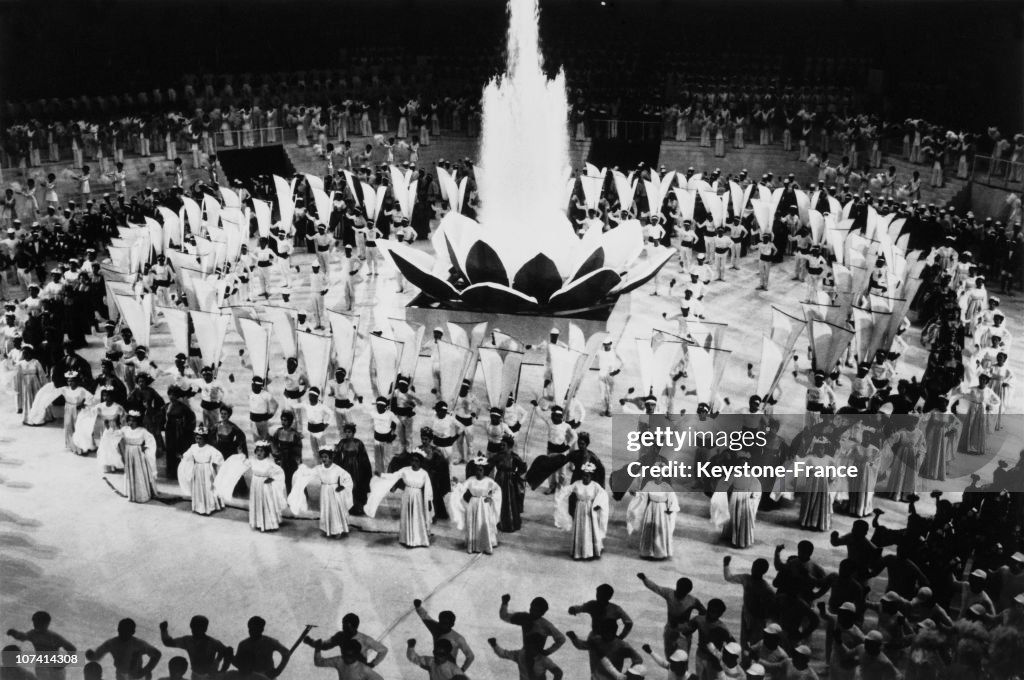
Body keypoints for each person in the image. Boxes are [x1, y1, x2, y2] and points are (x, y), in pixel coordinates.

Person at [636, 574, 705, 658]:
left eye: (684, 592)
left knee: (682, 657)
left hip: (683, 632)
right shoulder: (670, 594)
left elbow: (704, 613)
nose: (681, 593)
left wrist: (691, 626)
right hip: (671, 630)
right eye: (680, 590)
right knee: (670, 656)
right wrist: (645, 579)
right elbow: (656, 588)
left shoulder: (692, 601)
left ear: (688, 592)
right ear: (677, 587)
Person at [555, 462, 609, 560]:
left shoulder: (595, 485)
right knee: (581, 528)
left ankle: (591, 551)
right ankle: (579, 552)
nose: (585, 478)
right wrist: (561, 486)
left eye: (587, 476)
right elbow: (567, 490)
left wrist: (598, 504)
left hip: (590, 509)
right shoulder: (577, 484)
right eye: (584, 475)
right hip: (579, 509)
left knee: (590, 529)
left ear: (591, 476)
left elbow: (603, 494)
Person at [449, 454, 501, 554]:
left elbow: (497, 490)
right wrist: (457, 484)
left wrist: (491, 498)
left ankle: (485, 545)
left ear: (484, 470)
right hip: (473, 504)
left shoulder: (489, 481)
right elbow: (462, 488)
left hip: (484, 505)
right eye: (477, 469)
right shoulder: (471, 480)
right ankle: (473, 545)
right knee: (472, 522)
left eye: (481, 470)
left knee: (484, 523)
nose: (478, 472)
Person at [722, 556, 776, 652]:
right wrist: (726, 565)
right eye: (754, 567)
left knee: (755, 644)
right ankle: (745, 662)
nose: (754, 570)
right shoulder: (746, 578)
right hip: (747, 614)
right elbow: (729, 577)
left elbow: (773, 603)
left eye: (757, 569)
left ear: (763, 571)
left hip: (758, 619)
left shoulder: (765, 587)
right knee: (744, 642)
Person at [6, 611, 76, 680]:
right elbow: (23, 637)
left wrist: (63, 663)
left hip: (55, 668)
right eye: (35, 622)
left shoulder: (54, 637)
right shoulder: (33, 634)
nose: (36, 624)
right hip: (42, 667)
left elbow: (72, 649)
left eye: (39, 622)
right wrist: (14, 633)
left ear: (47, 623)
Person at [304, 613, 388, 669]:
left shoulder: (365, 639)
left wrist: (373, 664)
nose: (342, 627)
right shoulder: (340, 636)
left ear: (349, 625)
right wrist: (311, 642)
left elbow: (383, 650)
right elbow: (325, 646)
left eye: (343, 624)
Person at [86, 618, 162, 680]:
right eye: (121, 630)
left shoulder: (138, 644)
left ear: (132, 632)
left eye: (125, 630)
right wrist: (91, 656)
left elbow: (157, 654)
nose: (122, 632)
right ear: (118, 629)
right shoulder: (112, 643)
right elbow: (96, 656)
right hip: (122, 676)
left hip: (136, 676)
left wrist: (145, 671)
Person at [158, 616, 231, 680]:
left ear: (205, 628)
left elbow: (228, 652)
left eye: (199, 627)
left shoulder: (212, 643)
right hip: (197, 675)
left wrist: (223, 669)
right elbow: (169, 643)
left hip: (209, 675)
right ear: (191, 626)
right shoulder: (188, 641)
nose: (195, 630)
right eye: (194, 627)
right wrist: (163, 630)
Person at [412, 603, 474, 673]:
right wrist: (418, 607)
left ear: (452, 624)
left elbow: (470, 656)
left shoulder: (458, 638)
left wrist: (462, 670)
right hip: (437, 670)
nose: (442, 625)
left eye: (446, 623)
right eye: (441, 622)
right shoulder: (436, 629)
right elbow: (426, 618)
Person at [625, 480, 679, 559]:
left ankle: (660, 553)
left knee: (660, 531)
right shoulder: (649, 485)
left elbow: (672, 498)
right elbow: (643, 495)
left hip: (662, 510)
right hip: (650, 510)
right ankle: (647, 552)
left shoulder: (666, 487)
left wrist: (670, 509)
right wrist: (636, 493)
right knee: (649, 531)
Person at [499, 595, 566, 656]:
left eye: (536, 611)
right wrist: (504, 603)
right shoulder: (524, 617)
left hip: (537, 660)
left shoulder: (545, 625)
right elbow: (504, 616)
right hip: (524, 656)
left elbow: (561, 639)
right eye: (531, 608)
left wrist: (548, 652)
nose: (532, 612)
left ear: (542, 613)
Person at [180, 424, 225, 515]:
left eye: (200, 438)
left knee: (208, 487)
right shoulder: (193, 447)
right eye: (197, 438)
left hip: (207, 470)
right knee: (198, 488)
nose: (198, 440)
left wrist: (214, 463)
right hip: (197, 469)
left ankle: (210, 506)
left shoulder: (210, 448)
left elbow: (218, 456)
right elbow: (187, 456)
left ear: (205, 438)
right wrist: (183, 457)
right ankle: (199, 506)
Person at [118, 409, 158, 503]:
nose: (131, 422)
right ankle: (131, 492)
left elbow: (151, 440)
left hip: (138, 454)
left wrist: (146, 447)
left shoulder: (142, 431)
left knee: (139, 472)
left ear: (138, 422)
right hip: (128, 452)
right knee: (130, 471)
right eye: (129, 420)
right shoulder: (124, 430)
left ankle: (141, 494)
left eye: (133, 421)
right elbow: (116, 435)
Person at [568, 585, 634, 639]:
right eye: (598, 594)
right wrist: (573, 609)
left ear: (609, 597)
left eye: (601, 595)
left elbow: (629, 623)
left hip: (609, 638)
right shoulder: (592, 604)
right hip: (596, 636)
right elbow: (581, 608)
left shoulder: (615, 609)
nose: (598, 596)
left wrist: (621, 636)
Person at [334, 423, 373, 515]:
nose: (347, 434)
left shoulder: (358, 443)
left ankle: (358, 508)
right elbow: (337, 456)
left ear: (353, 433)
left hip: (357, 468)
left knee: (357, 486)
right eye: (346, 432)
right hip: (346, 467)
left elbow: (363, 457)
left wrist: (365, 469)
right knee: (347, 486)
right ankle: (347, 507)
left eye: (349, 432)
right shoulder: (342, 442)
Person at [487, 633, 564, 680]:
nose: (529, 648)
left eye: (533, 646)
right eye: (528, 645)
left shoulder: (543, 659)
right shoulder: (520, 654)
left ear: (538, 647)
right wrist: (494, 645)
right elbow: (503, 653)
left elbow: (558, 673)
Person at [314, 448, 353, 538]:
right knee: (326, 509)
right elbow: (310, 473)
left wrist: (342, 486)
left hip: (334, 492)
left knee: (334, 510)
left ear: (331, 458)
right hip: (324, 491)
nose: (324, 459)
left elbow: (347, 476)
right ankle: (327, 528)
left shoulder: (336, 468)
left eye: (326, 457)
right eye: (322, 457)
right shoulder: (319, 468)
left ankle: (338, 530)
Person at [249, 441, 286, 532]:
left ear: (266, 452)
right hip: (255, 484)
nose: (259, 453)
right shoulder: (253, 461)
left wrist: (272, 478)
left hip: (265, 485)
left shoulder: (269, 463)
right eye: (257, 450)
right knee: (257, 502)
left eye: (261, 451)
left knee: (266, 502)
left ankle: (269, 523)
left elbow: (279, 473)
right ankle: (258, 522)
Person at [312, 638, 384, 680]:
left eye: (350, 655)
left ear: (356, 655)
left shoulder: (364, 669)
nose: (347, 658)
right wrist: (317, 649)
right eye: (345, 654)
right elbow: (319, 662)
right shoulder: (339, 660)